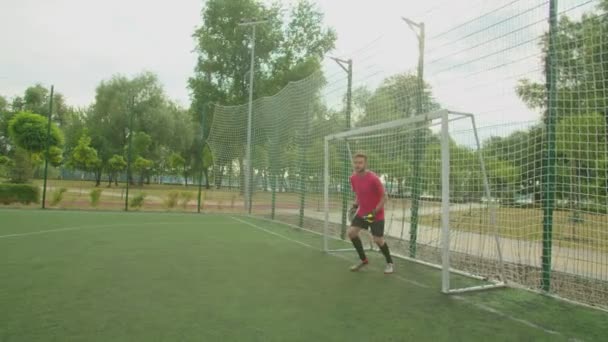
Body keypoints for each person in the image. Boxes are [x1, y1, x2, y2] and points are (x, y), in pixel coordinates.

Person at [348, 152, 394, 274]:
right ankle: (363, 260)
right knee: (352, 233)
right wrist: (354, 205)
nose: (357, 165)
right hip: (363, 212)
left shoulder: (373, 178)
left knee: (378, 240)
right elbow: (358, 194)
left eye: (360, 163)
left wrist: (374, 212)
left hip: (375, 214)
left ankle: (389, 262)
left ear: (365, 164)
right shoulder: (353, 178)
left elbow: (384, 197)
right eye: (356, 162)